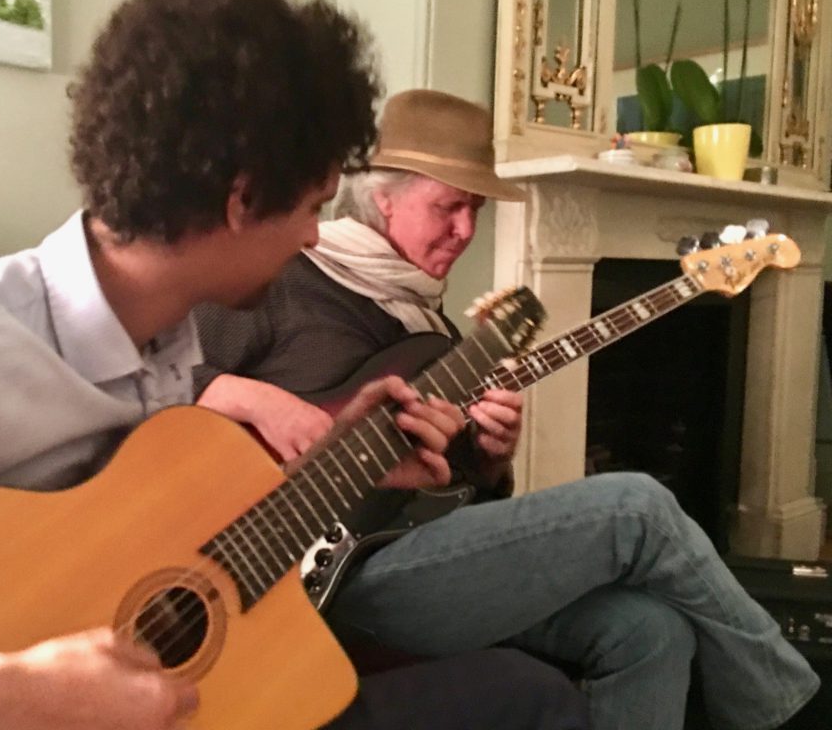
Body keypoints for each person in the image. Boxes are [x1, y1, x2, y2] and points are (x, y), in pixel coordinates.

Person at [0, 0, 588, 730]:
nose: (317, 235)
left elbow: (141, 549)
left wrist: (342, 459)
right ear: (242, 199)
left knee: (531, 689)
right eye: (313, 207)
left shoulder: (170, 344)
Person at [192, 88, 822, 730]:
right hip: (311, 573)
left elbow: (456, 495)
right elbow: (161, 383)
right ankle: (793, 707)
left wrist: (493, 459)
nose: (466, 230)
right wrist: (258, 400)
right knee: (638, 507)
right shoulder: (285, 284)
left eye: (475, 211)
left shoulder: (430, 331)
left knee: (650, 631)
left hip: (403, 546)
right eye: (449, 207)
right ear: (384, 198)